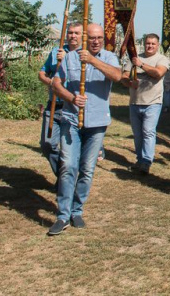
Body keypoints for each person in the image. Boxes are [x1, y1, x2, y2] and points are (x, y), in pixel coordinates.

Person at [48, 23, 121, 236]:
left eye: (99, 37)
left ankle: (77, 210)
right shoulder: (70, 57)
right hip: (70, 119)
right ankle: (63, 215)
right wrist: (71, 97)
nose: (96, 41)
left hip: (97, 122)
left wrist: (93, 61)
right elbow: (56, 84)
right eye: (91, 37)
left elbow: (117, 77)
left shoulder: (108, 57)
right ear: (84, 39)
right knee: (68, 166)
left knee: (87, 169)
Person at [38, 22, 82, 177]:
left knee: (68, 149)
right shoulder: (56, 52)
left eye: (77, 33)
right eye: (70, 32)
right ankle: (64, 176)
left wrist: (68, 59)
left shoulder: (84, 55)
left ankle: (67, 180)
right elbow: (42, 73)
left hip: (72, 106)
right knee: (47, 143)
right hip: (54, 105)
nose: (73, 36)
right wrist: (51, 82)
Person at [121, 33, 169, 174]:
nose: (150, 46)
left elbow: (158, 73)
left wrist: (141, 65)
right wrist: (129, 82)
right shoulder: (134, 57)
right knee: (138, 134)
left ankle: (146, 162)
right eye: (148, 43)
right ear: (144, 43)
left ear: (158, 45)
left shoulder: (161, 59)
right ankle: (140, 159)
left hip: (153, 102)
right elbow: (123, 76)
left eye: (153, 44)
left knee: (148, 131)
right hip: (135, 102)